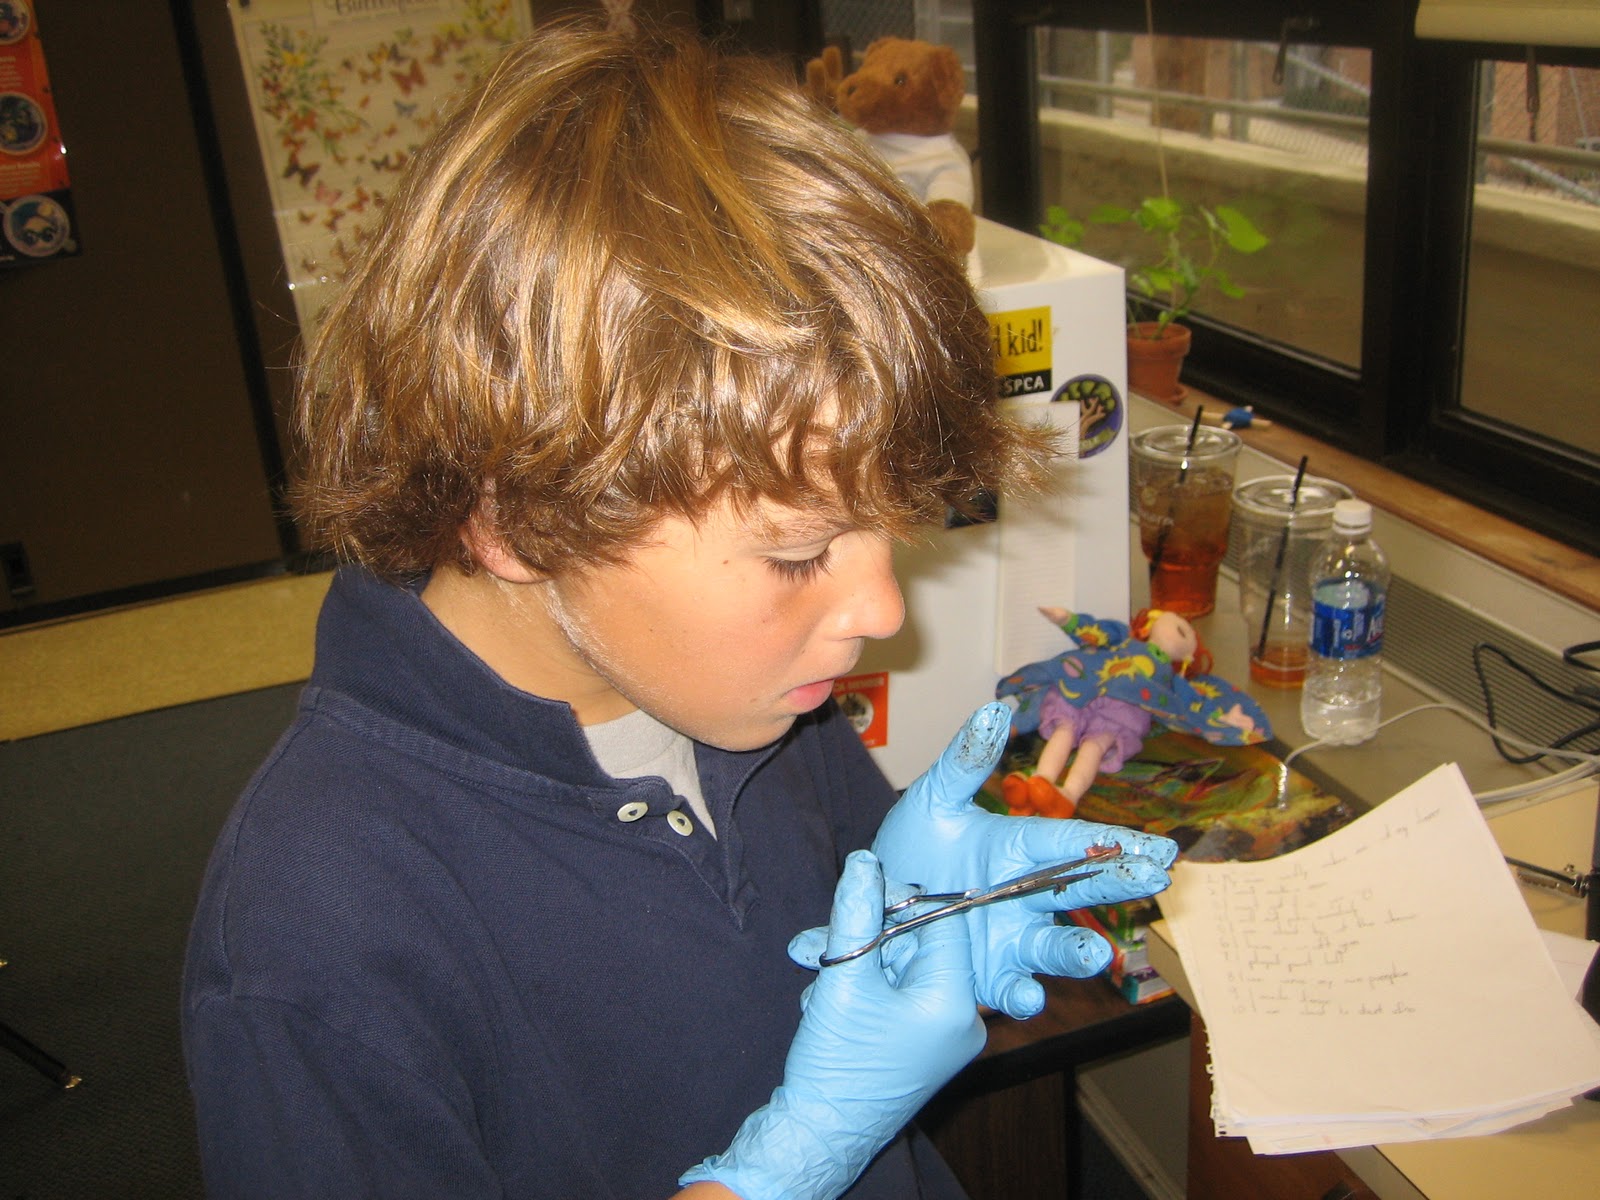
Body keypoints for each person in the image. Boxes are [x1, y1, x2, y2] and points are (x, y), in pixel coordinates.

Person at [181, 18, 1179, 1200]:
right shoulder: (317, 940)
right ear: (512, 519)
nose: (878, 611)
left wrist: (914, 914)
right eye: (801, 553)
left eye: (888, 531)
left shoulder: (756, 699)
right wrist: (784, 1167)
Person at [996, 607, 1272, 816]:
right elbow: (1096, 632)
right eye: (1177, 624)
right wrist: (1067, 619)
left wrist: (1226, 718)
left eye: (1189, 634)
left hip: (1124, 714)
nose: (1183, 631)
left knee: (1094, 746)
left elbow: (1195, 706)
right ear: (1152, 622)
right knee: (1063, 729)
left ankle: (1067, 796)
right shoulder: (1123, 638)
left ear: (1188, 657)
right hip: (1087, 689)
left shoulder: (1174, 682)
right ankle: (1038, 783)